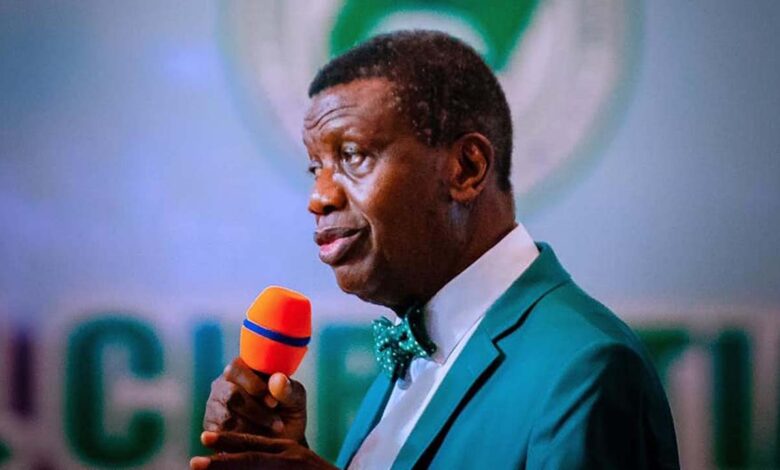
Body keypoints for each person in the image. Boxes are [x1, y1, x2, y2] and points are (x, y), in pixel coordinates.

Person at [190, 30, 679, 469]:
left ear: (466, 169)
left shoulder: (586, 369)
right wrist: (277, 448)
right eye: (315, 167)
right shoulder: (418, 343)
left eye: (353, 156)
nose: (319, 196)